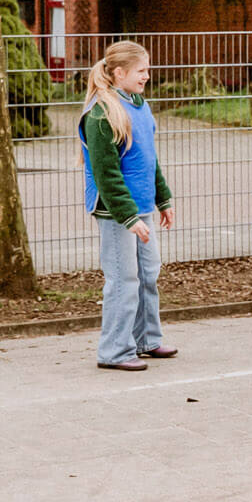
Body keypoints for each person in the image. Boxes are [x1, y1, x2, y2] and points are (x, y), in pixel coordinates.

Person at [81, 42, 176, 372]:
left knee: (148, 273)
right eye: (141, 71)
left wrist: (162, 199)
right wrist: (128, 216)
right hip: (117, 212)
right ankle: (114, 350)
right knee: (123, 279)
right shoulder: (101, 115)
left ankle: (146, 339)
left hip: (141, 208)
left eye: (147, 70)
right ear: (119, 73)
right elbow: (106, 175)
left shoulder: (140, 105)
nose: (147, 76)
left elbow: (149, 159)